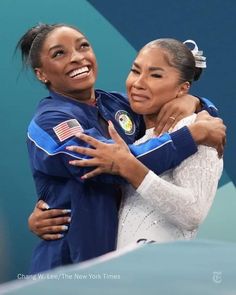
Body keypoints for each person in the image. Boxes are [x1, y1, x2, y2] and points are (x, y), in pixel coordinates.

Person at [18, 23, 225, 273]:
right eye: (59, 53)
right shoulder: (50, 120)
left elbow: (158, 116)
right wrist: (190, 135)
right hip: (68, 270)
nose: (77, 57)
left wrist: (197, 103)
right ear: (42, 74)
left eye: (83, 46)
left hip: (117, 268)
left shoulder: (117, 105)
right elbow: (109, 166)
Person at [62, 38, 224, 248]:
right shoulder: (135, 129)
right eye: (135, 71)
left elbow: (192, 213)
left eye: (155, 75)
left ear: (182, 88)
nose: (138, 83)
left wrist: (132, 169)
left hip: (159, 269)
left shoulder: (200, 130)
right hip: (122, 268)